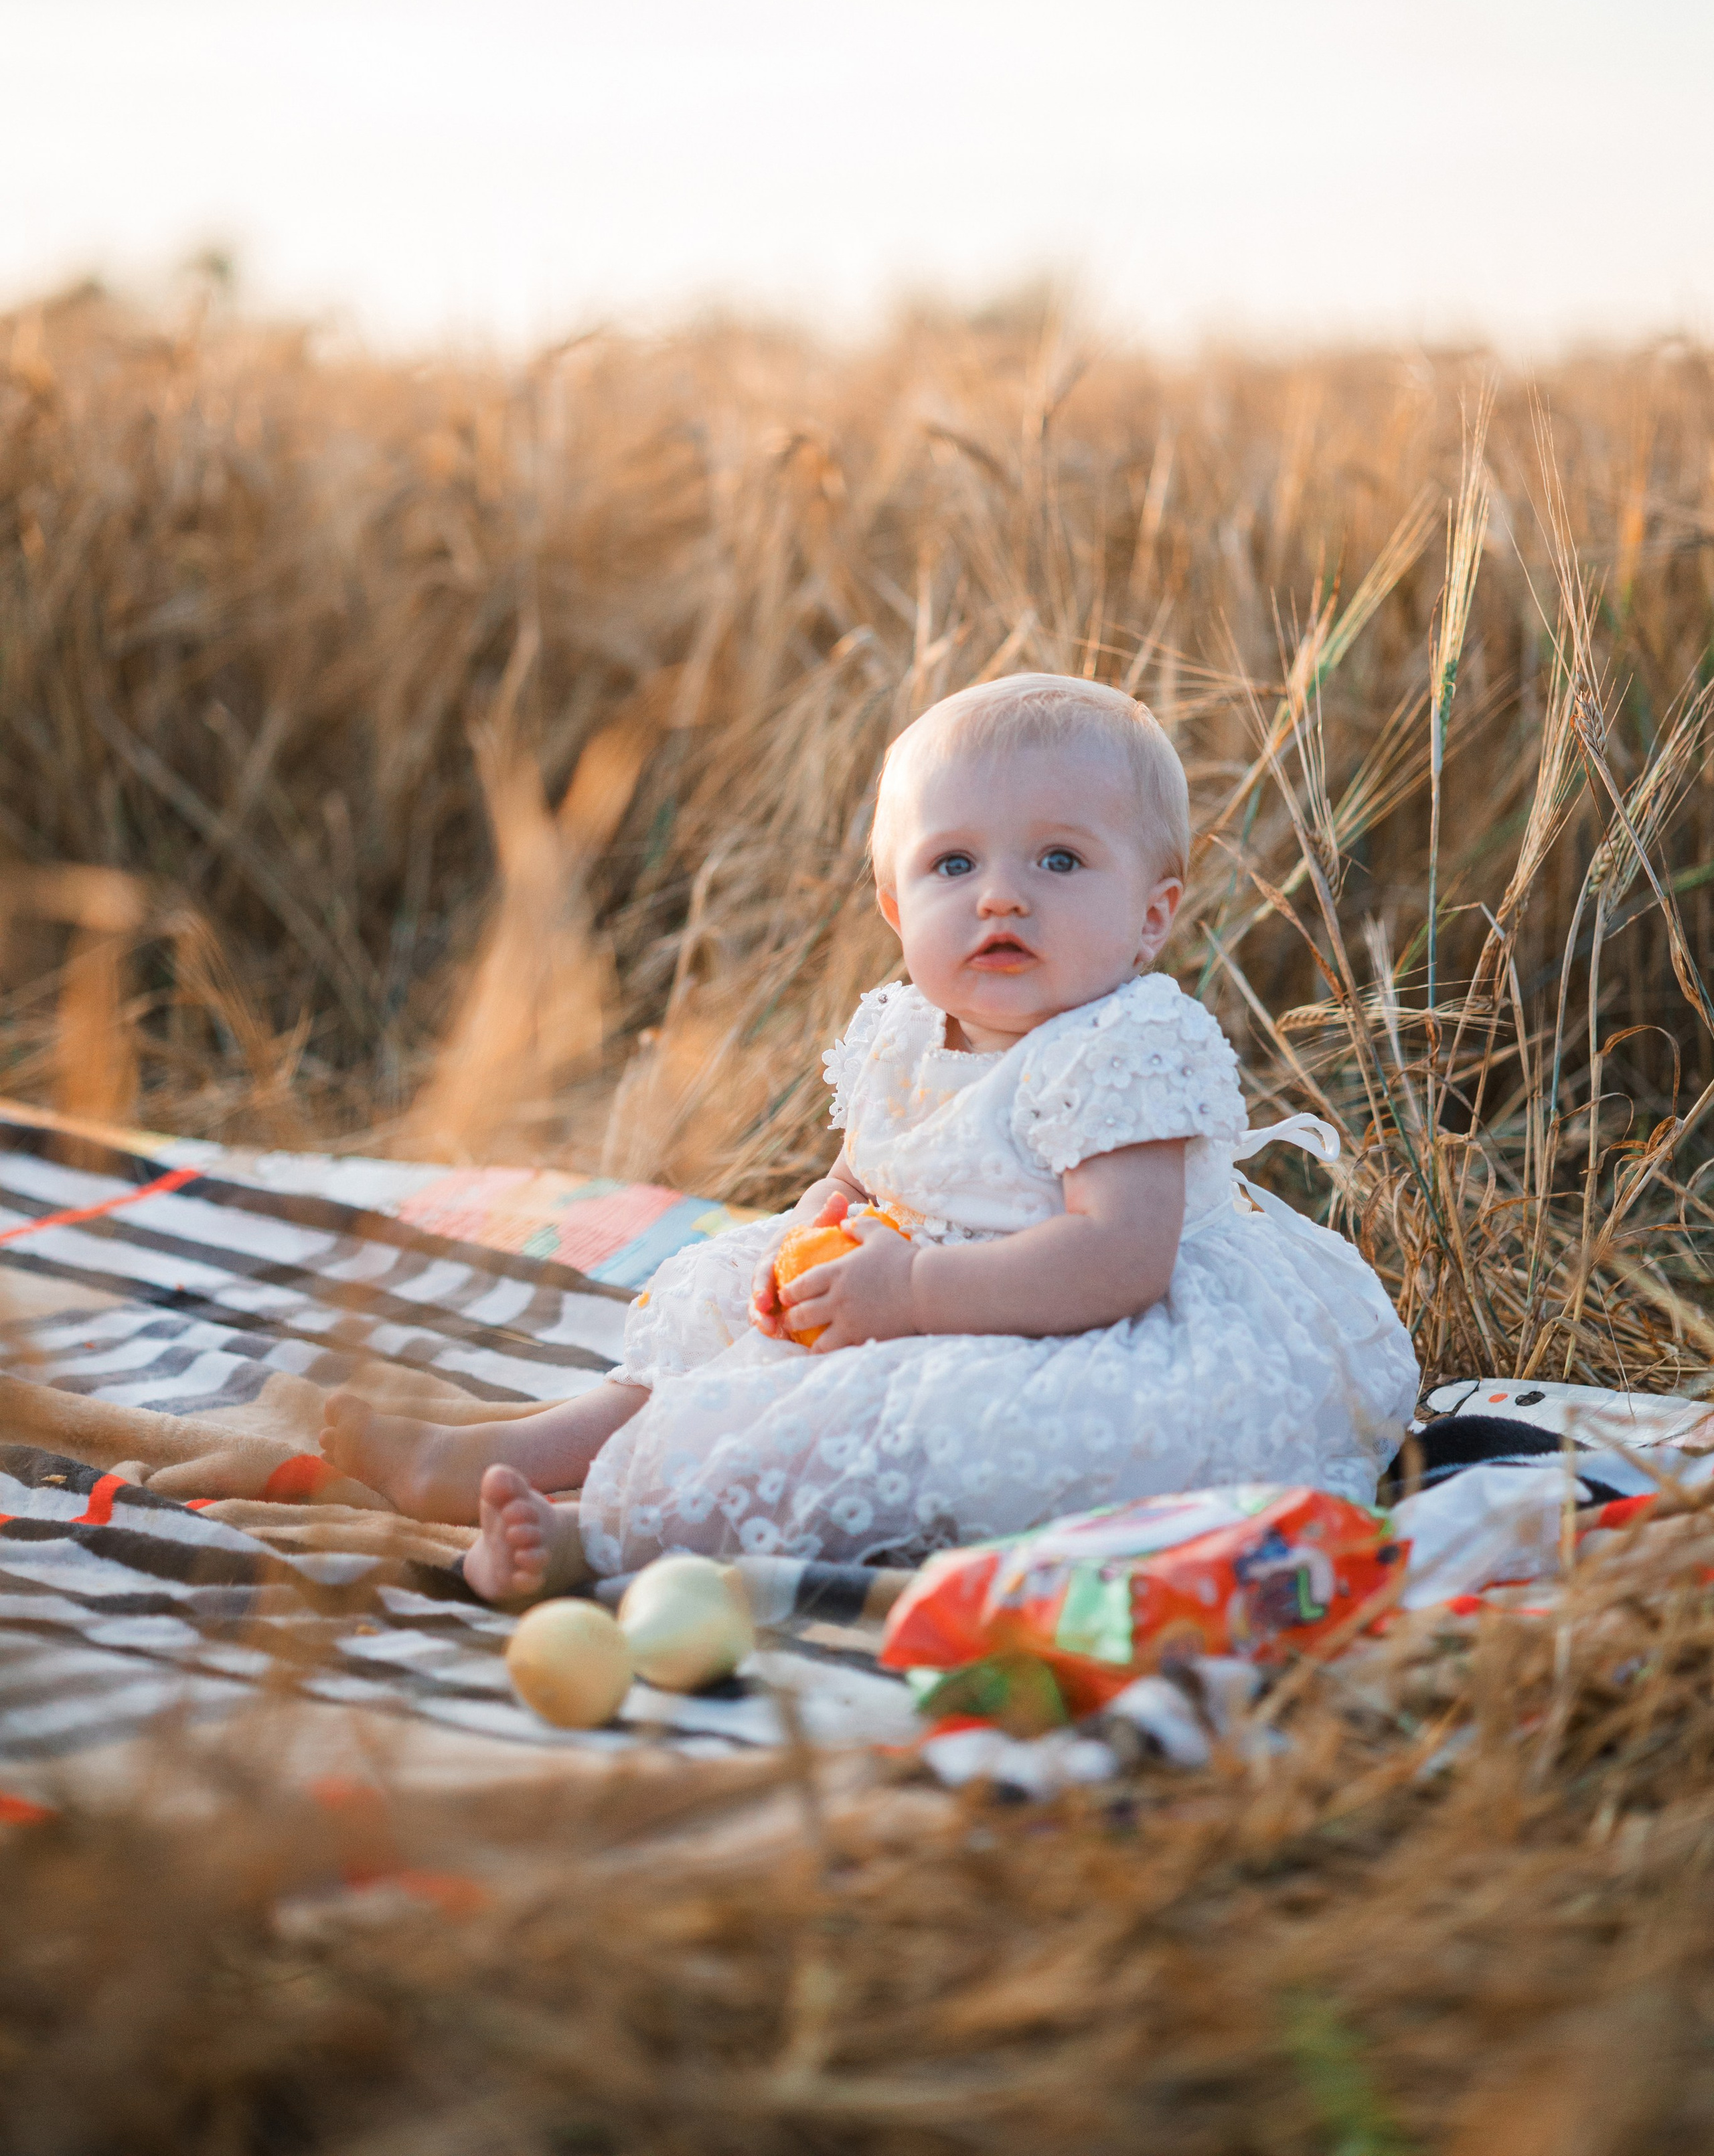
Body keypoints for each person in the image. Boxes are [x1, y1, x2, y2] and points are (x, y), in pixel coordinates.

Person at [323, 673, 1419, 1602]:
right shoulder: (901, 1028)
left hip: (1074, 1335)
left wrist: (916, 1295)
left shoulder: (1121, 1044)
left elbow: (1119, 1259)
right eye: (954, 865)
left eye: (1059, 861)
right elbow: (867, 1166)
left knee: (845, 1436)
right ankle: (491, 1451)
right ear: (895, 906)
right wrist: (818, 1227)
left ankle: (591, 1544)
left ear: (1151, 913)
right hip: (901, 1280)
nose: (1001, 898)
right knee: (728, 1337)